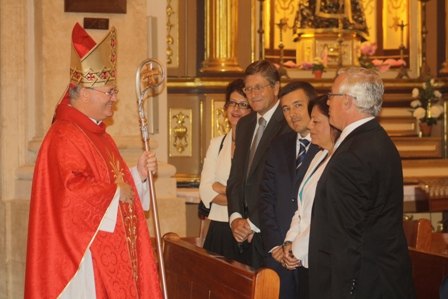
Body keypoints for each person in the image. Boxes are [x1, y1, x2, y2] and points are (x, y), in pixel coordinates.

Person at [24, 23, 162, 298]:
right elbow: (69, 192)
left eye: (114, 92)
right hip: (81, 261)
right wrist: (113, 192)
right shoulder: (63, 135)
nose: (115, 98)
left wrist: (138, 175)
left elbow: (114, 183)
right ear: (85, 92)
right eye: (109, 92)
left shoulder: (99, 134)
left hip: (104, 250)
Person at [308, 67, 415, 298]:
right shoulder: (377, 140)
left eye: (331, 95)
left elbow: (345, 237)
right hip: (381, 279)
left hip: (362, 285)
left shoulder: (352, 154)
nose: (327, 102)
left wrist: (341, 292)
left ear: (347, 101)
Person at [227, 59, 292, 268]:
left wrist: (252, 222)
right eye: (248, 89)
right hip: (242, 235)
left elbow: (282, 184)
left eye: (258, 87)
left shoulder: (288, 123)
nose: (252, 94)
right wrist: (236, 218)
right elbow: (236, 177)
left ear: (276, 87)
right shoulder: (245, 124)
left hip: (272, 233)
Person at [259, 81, 319, 299]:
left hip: (311, 255)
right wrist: (276, 245)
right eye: (285, 109)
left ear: (312, 106)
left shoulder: (328, 146)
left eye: (298, 106)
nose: (292, 114)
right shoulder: (278, 145)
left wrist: (296, 246)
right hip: (278, 256)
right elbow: (265, 197)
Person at [282, 94, 341, 298]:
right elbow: (301, 208)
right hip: (305, 256)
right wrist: (288, 242)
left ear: (333, 124)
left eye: (316, 121)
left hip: (325, 258)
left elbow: (325, 217)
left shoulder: (342, 162)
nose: (310, 126)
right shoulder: (318, 156)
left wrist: (295, 250)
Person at [199, 79, 252, 258]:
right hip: (219, 226)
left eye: (243, 104)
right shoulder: (217, 143)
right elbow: (206, 190)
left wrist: (221, 188)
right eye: (232, 103)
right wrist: (239, 196)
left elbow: (253, 194)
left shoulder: (257, 146)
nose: (236, 109)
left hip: (246, 229)